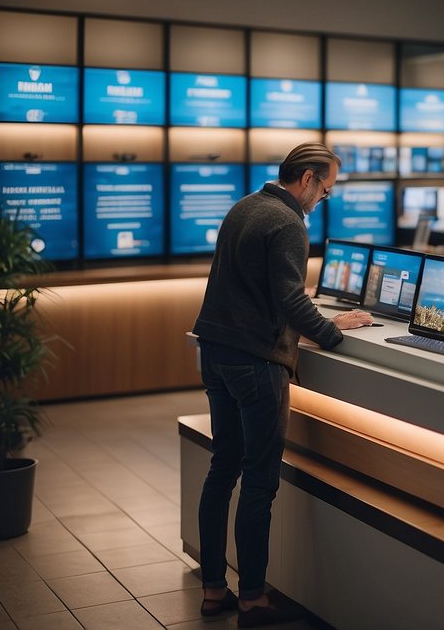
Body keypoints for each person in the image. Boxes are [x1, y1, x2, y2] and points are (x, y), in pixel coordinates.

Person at [192, 142, 373, 627]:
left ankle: (214, 588)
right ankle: (252, 598)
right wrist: (337, 332)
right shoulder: (290, 222)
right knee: (259, 480)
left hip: (214, 352)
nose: (323, 200)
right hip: (255, 363)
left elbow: (249, 283)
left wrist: (297, 302)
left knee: (222, 467)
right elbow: (291, 301)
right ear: (309, 179)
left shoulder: (245, 206)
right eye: (326, 190)